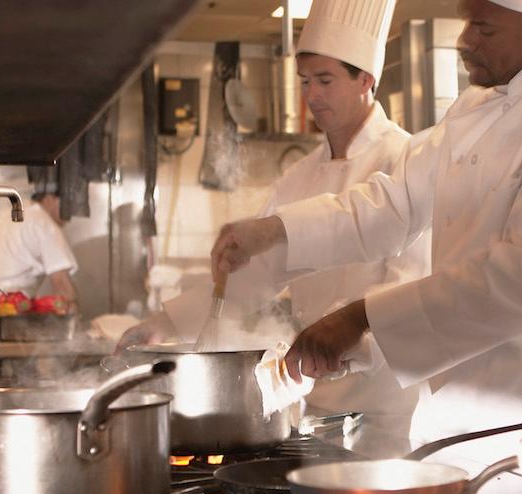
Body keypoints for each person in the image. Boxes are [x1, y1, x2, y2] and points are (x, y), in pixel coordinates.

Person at [210, 0, 522, 468]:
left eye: (483, 28)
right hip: (452, 408)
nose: (465, 41)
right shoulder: (475, 105)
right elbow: (393, 204)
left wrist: (360, 319)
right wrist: (274, 231)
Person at [119, 0, 428, 416]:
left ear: (365, 80)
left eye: (325, 80)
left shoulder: (406, 159)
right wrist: (166, 322)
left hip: (387, 403)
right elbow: (257, 276)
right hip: (313, 394)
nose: (312, 96)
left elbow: (409, 289)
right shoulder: (299, 176)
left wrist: (340, 342)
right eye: (304, 82)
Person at [0, 190, 79, 309]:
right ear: (49, 198)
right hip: (5, 310)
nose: (71, 213)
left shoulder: (16, 214)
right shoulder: (43, 222)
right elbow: (63, 288)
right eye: (68, 204)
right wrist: (74, 321)